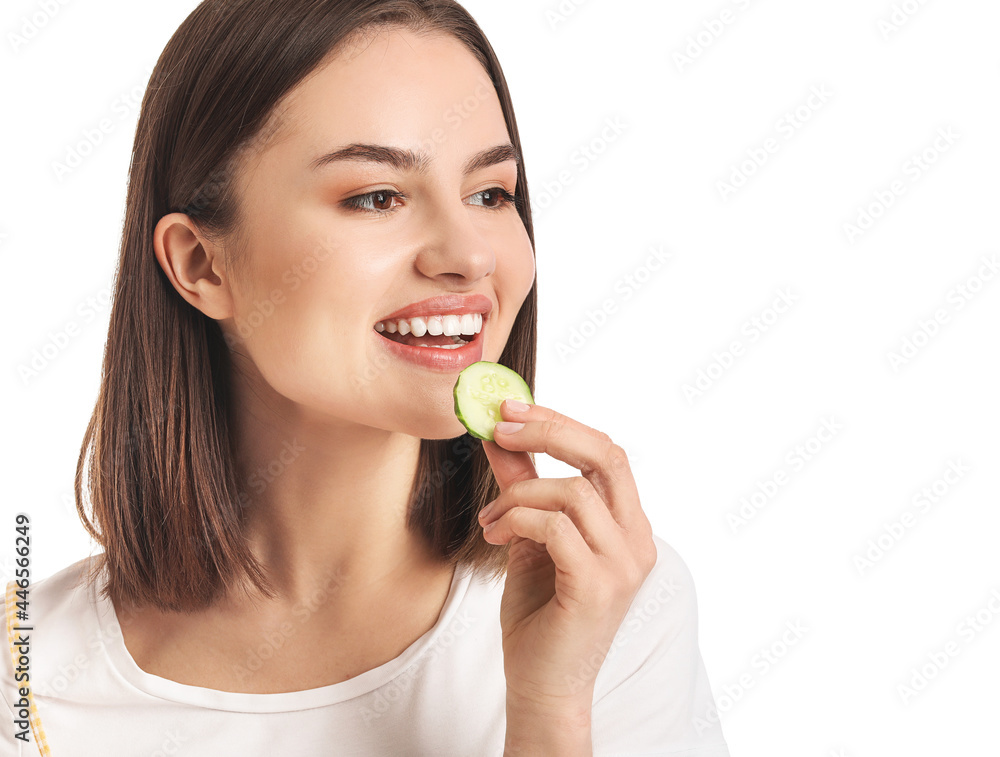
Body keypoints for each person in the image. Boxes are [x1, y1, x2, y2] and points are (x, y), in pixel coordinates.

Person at [2, 1, 731, 754]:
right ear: (200, 262)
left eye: (491, 193)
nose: (470, 254)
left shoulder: (609, 610)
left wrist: (551, 706)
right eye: (376, 196)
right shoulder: (22, 678)